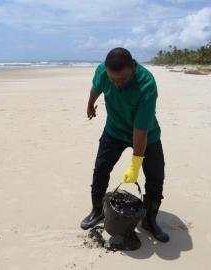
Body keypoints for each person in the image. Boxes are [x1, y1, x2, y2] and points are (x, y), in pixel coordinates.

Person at [80, 48, 169, 245]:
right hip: (115, 130)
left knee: (156, 177)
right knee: (101, 169)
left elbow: (140, 130)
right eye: (113, 80)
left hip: (147, 134)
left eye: (123, 79)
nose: (117, 84)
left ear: (133, 68)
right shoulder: (103, 72)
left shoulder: (147, 84)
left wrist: (135, 164)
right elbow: (96, 88)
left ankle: (150, 220)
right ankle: (97, 211)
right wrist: (89, 105)